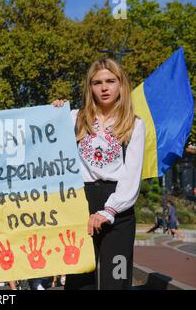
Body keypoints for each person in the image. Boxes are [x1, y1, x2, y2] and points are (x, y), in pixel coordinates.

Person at [53, 58, 146, 290]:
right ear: (90, 87)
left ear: (121, 84)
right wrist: (53, 113)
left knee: (118, 278)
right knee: (78, 281)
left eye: (110, 81)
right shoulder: (75, 118)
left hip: (119, 210)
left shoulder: (134, 124)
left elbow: (132, 176)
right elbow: (47, 142)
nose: (104, 88)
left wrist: (108, 211)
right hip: (81, 204)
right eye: (97, 82)